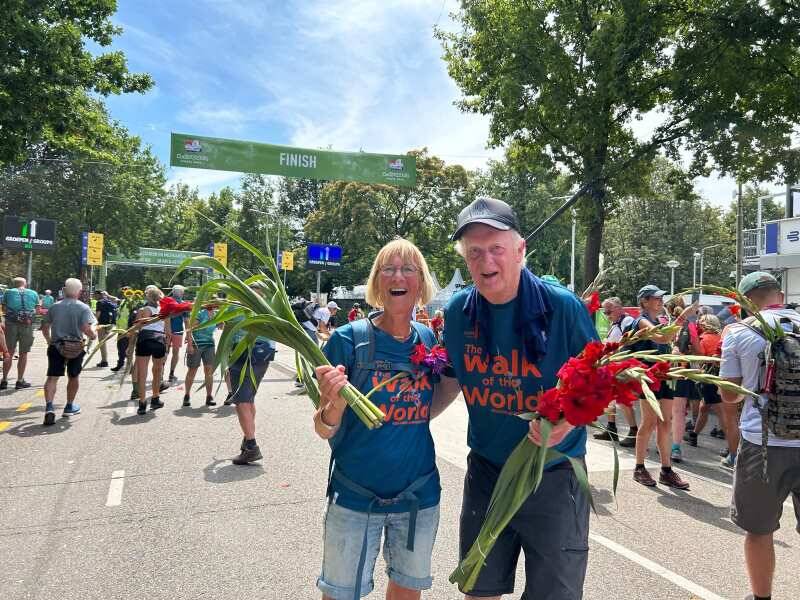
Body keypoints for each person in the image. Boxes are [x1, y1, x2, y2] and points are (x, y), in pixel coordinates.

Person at [432, 197, 600, 599]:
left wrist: (568, 422)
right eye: (475, 252)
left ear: (520, 250)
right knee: (479, 590)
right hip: (487, 471)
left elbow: (601, 384)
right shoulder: (458, 313)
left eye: (496, 248)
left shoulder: (562, 308)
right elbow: (451, 381)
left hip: (554, 473)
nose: (486, 260)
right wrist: (400, 420)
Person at [314, 238, 442, 600]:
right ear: (376, 281)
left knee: (407, 590)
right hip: (355, 498)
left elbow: (429, 406)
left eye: (408, 269)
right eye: (388, 269)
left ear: (420, 282)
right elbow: (322, 427)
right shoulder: (347, 340)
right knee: (340, 594)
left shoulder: (427, 338)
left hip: (418, 496)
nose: (398, 276)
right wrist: (334, 403)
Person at [719, 271, 800, 600]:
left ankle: (761, 597)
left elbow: (729, 396)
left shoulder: (739, 332)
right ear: (779, 294)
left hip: (763, 444)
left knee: (759, 529)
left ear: (746, 300)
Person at [630, 285, 695, 489]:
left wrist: (674, 355)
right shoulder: (641, 321)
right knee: (649, 422)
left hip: (663, 376)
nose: (660, 301)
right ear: (644, 301)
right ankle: (639, 467)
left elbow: (666, 343)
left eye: (661, 298)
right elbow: (662, 338)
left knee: (666, 423)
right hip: (648, 377)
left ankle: (666, 470)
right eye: (656, 298)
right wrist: (683, 316)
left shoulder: (659, 321)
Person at [227, 284, 277, 465]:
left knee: (241, 400)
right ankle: (247, 438)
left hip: (242, 354)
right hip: (263, 356)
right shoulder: (267, 309)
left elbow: (226, 330)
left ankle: (251, 446)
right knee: (249, 398)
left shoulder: (235, 308)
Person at [40, 278, 97, 425]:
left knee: (52, 378)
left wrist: (49, 341)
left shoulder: (54, 307)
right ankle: (69, 406)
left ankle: (49, 407)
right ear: (79, 292)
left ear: (64, 290)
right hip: (75, 347)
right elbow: (85, 328)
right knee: (73, 376)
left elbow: (45, 328)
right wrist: (93, 335)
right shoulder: (83, 307)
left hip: (56, 345)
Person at [594, 296, 638, 445]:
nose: (607, 315)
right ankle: (611, 429)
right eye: (605, 312)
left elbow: (627, 343)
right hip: (613, 366)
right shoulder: (616, 323)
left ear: (619, 308)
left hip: (622, 367)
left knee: (623, 400)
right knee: (609, 398)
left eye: (609, 312)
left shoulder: (627, 321)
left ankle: (633, 432)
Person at [669, 298, 701, 464]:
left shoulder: (661, 322)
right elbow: (699, 351)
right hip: (681, 372)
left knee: (662, 410)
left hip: (663, 371)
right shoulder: (690, 326)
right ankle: (675, 448)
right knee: (678, 412)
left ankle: (659, 443)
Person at [132, 285, 170, 415]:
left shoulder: (142, 310)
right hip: (159, 340)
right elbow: (168, 332)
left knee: (142, 373)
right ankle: (155, 398)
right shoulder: (164, 312)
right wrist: (167, 349)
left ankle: (142, 403)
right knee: (157, 371)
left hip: (144, 339)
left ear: (147, 297)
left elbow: (136, 328)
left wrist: (130, 345)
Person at [1, 277, 39, 390]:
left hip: (11, 324)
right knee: (23, 353)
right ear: (25, 284)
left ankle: (4, 380)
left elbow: (4, 308)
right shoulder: (33, 293)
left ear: (14, 284)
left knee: (9, 352)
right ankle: (20, 380)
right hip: (27, 325)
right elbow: (37, 310)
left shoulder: (8, 292)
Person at [182, 304, 217, 407]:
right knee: (192, 370)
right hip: (196, 344)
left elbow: (221, 326)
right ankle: (187, 395)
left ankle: (209, 396)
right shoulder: (200, 313)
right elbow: (190, 329)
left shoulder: (216, 314)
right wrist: (189, 344)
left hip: (209, 345)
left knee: (209, 371)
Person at [166, 284, 188, 384]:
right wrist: (188, 334)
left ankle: (160, 374)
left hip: (165, 331)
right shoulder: (184, 304)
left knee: (165, 352)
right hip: (178, 331)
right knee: (175, 353)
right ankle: (171, 374)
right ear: (182, 293)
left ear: (173, 292)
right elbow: (186, 321)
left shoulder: (166, 302)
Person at [94, 290, 118, 368]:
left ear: (98, 295)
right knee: (103, 343)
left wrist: (93, 324)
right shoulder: (109, 301)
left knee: (102, 343)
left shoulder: (99, 302)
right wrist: (108, 295)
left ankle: (104, 361)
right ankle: (104, 360)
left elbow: (98, 315)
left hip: (102, 324)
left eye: (95, 295)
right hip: (110, 324)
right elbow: (116, 299)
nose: (94, 296)